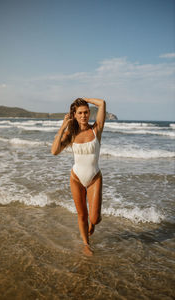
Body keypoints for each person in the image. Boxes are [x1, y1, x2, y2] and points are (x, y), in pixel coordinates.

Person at [51, 97, 106, 254]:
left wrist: (84, 98)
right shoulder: (71, 133)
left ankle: (93, 223)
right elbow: (54, 151)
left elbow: (101, 103)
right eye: (80, 113)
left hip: (94, 177)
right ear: (74, 114)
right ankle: (86, 245)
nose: (84, 115)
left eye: (86, 112)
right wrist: (63, 127)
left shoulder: (96, 129)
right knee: (82, 214)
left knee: (94, 218)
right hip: (76, 177)